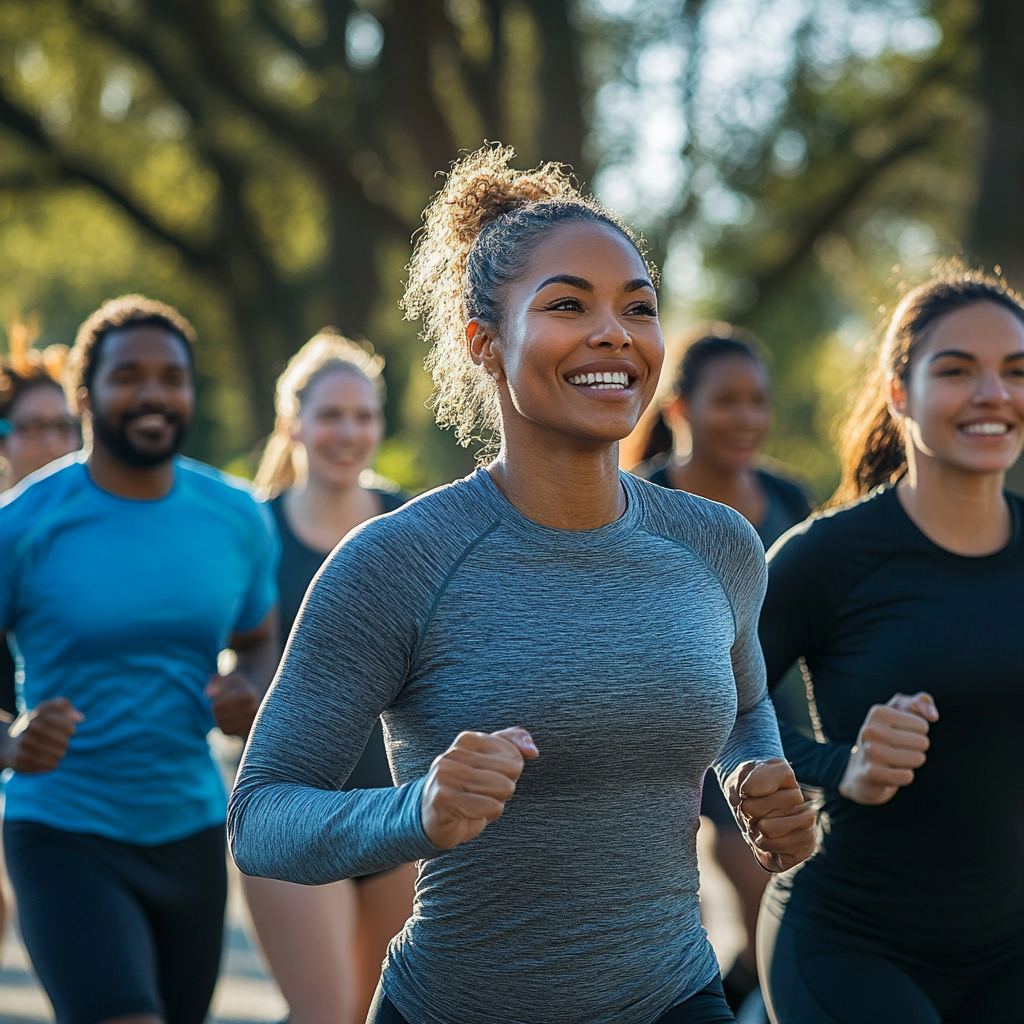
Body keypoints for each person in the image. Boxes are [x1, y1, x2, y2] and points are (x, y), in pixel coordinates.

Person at [229, 144, 816, 1024]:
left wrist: (753, 778)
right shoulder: (398, 561)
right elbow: (260, 817)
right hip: (456, 1006)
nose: (615, 332)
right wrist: (416, 813)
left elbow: (741, 704)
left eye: (639, 307)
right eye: (568, 305)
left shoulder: (717, 544)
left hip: (672, 996)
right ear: (484, 344)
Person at [0, 295, 279, 1024]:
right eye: (128, 377)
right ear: (85, 396)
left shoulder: (236, 517)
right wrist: (8, 741)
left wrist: (249, 689)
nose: (153, 394)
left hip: (190, 829)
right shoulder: (23, 524)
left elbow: (258, 639)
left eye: (172, 377)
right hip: (62, 828)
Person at [757, 273, 1024, 1024]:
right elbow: (711, 703)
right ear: (900, 392)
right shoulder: (825, 557)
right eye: (957, 370)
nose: (993, 394)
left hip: (1008, 946)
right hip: (847, 943)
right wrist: (841, 767)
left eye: (1016, 371)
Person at [632, 331, 811, 1012]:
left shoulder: (789, 500)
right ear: (679, 407)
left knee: (782, 910)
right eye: (726, 400)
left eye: (758, 401)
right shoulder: (640, 500)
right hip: (664, 725)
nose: (746, 418)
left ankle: (730, 997)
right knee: (685, 920)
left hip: (762, 719)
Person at [243, 329, 414, 1024]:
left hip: (396, 812)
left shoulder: (410, 522)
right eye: (331, 415)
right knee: (324, 1013)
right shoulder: (255, 530)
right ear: (294, 424)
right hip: (292, 809)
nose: (349, 432)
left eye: (364, 416)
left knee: (376, 1013)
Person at [0, 328, 81, 952]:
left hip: (61, 786)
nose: (50, 442)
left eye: (63, 426)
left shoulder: (96, 540)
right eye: (31, 428)